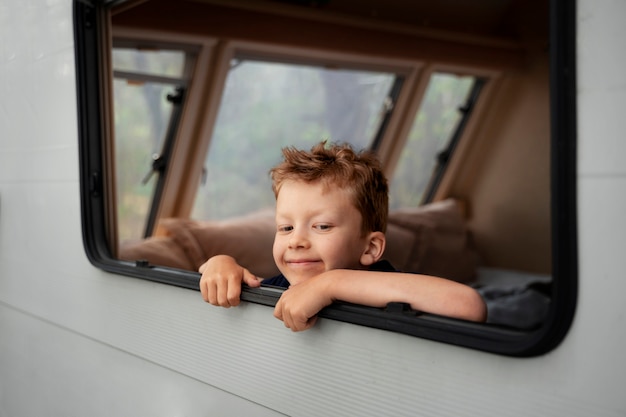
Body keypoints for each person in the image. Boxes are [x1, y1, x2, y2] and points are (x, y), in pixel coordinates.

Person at [199, 141, 486, 331]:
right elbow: (234, 284)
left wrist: (331, 284)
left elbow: (468, 306)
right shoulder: (281, 286)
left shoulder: (382, 284)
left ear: (371, 248)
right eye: (286, 228)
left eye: (322, 226)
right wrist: (219, 263)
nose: (296, 241)